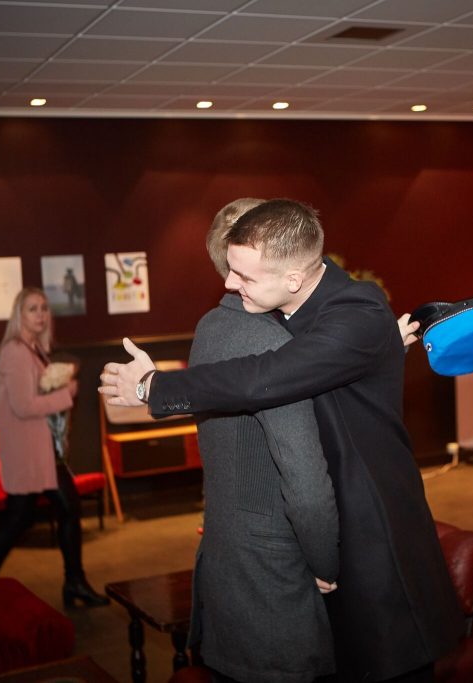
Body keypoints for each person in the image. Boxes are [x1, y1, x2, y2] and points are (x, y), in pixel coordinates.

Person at [101, 199, 462, 682]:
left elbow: (267, 376)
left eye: (243, 276)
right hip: (329, 524)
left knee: (390, 664)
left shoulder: (358, 312)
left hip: (373, 530)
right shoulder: (291, 308)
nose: (228, 284)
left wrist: (153, 387)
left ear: (293, 278)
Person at [187, 198, 339, 682]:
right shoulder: (270, 344)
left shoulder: (209, 327)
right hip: (273, 576)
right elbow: (305, 483)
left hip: (225, 557)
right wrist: (326, 561)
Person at [0, 287, 108, 607]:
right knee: (19, 519)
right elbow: (24, 406)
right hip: (28, 452)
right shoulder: (15, 351)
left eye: (43, 308)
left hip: (43, 451)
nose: (40, 314)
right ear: (18, 315)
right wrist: (66, 393)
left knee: (61, 509)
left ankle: (74, 582)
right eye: (32, 309)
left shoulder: (34, 350)